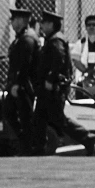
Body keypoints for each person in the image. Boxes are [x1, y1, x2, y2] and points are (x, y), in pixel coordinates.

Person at [30, 11, 78, 153]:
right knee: (40, 118)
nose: (42, 26)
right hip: (47, 87)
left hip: (54, 87)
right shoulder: (52, 39)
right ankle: (39, 147)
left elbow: (59, 60)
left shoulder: (56, 40)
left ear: (51, 24)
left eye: (44, 23)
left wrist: (50, 79)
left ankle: (86, 137)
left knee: (58, 119)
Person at [4, 8, 39, 154]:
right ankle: (24, 143)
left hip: (24, 85)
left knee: (25, 116)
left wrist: (17, 84)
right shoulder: (21, 37)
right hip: (19, 84)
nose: (11, 22)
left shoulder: (27, 39)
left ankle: (28, 146)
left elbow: (24, 64)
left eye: (14, 19)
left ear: (21, 21)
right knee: (10, 111)